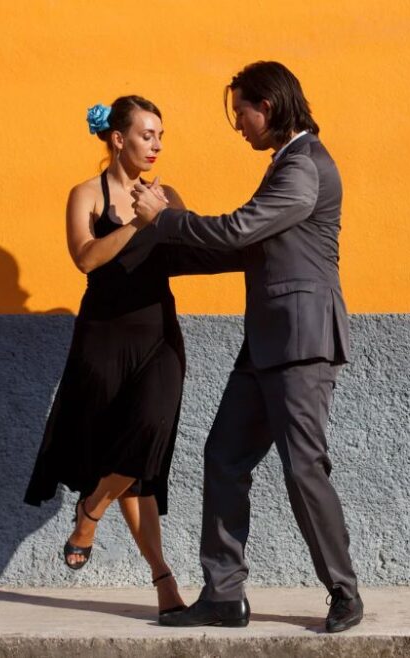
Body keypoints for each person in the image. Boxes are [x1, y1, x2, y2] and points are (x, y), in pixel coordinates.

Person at [130, 61, 362, 633]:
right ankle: (224, 594)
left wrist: (168, 218)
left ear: (270, 105)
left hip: (301, 343)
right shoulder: (286, 166)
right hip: (265, 344)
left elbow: (237, 231)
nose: (238, 126)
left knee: (303, 469)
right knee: (224, 459)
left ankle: (344, 592)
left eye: (242, 113)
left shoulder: (304, 167)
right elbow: (247, 250)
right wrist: (162, 255)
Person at [24, 95, 240, 619]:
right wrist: (139, 225)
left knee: (150, 431)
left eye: (161, 136)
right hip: (102, 338)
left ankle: (91, 507)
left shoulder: (166, 195)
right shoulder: (86, 194)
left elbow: (193, 249)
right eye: (147, 135)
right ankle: (164, 584)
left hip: (158, 334)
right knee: (130, 461)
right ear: (118, 139)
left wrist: (219, 238)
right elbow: (85, 257)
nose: (157, 146)